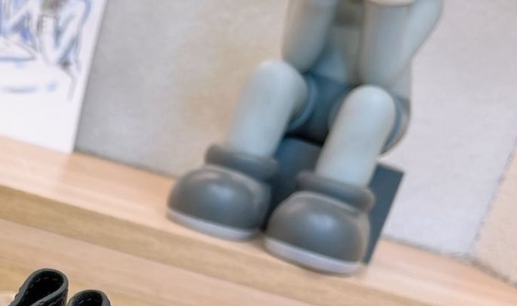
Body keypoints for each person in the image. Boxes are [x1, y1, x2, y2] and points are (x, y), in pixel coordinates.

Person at [167, 0, 443, 274]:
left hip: (379, 110)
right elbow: (296, 57)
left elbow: (378, 75)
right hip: (309, 91)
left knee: (371, 103)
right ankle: (234, 178)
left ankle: (334, 207)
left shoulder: (426, 4)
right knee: (274, 76)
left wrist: (386, 8)